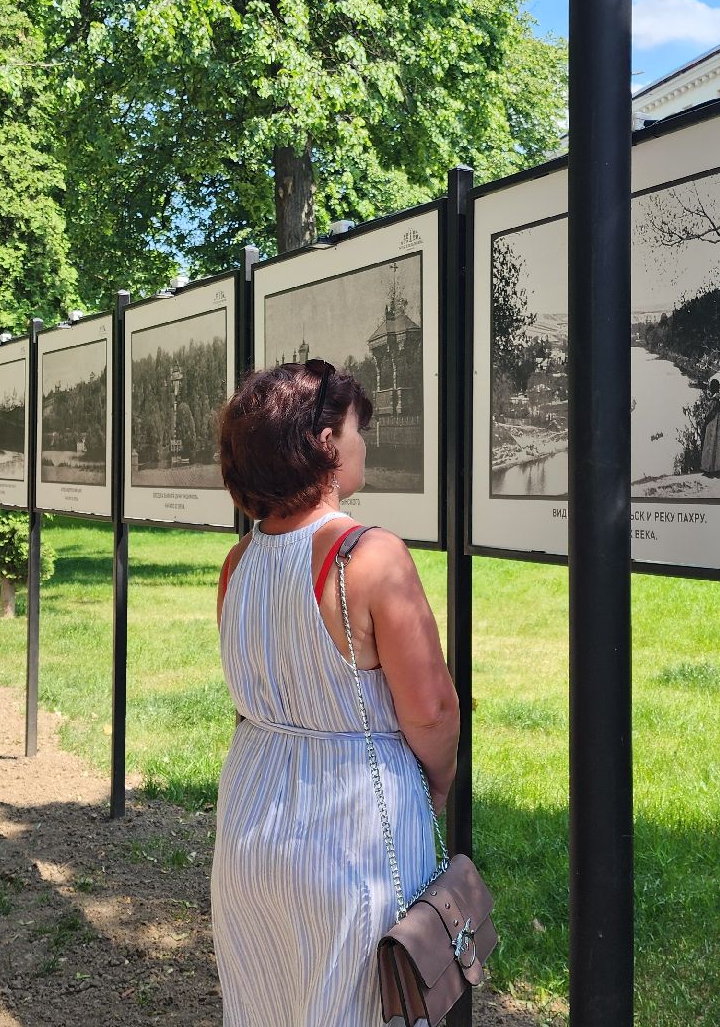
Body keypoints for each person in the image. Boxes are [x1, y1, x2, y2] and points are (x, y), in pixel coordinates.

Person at [210, 359, 459, 1024]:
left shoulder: (238, 563)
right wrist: (436, 785)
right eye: (355, 429)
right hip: (352, 824)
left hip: (251, 815)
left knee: (265, 1000)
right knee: (359, 1004)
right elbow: (432, 711)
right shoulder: (370, 557)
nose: (363, 443)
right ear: (324, 443)